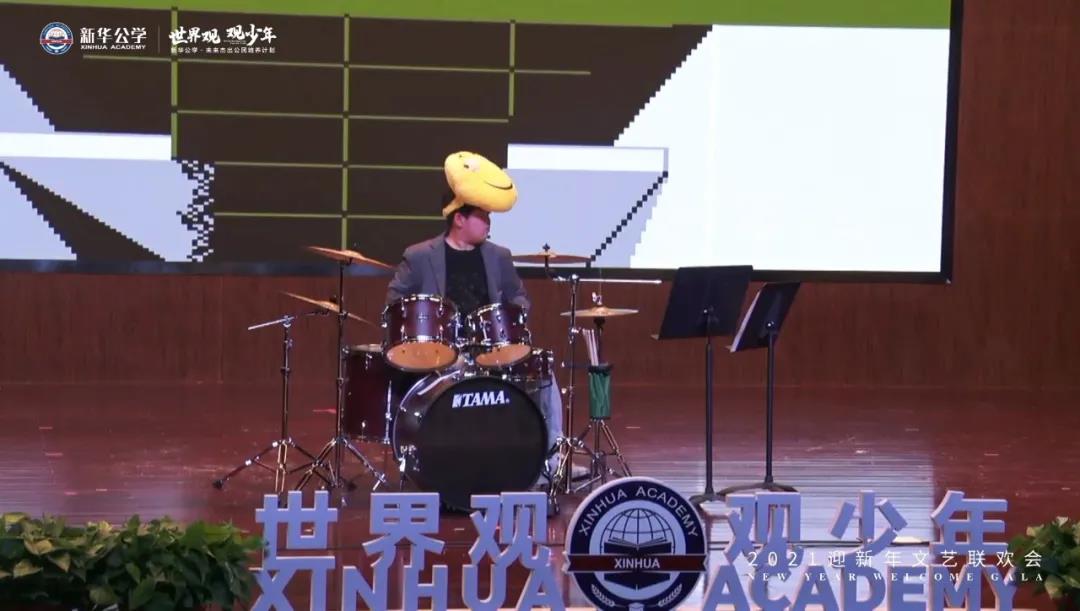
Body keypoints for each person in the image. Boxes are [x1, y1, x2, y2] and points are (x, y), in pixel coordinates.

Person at [384, 151, 571, 485]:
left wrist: (512, 319)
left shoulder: (499, 256)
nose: (489, 222)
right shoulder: (420, 256)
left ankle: (550, 461)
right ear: (459, 218)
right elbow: (395, 299)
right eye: (482, 216)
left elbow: (519, 298)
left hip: (491, 348)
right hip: (442, 351)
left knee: (544, 369)